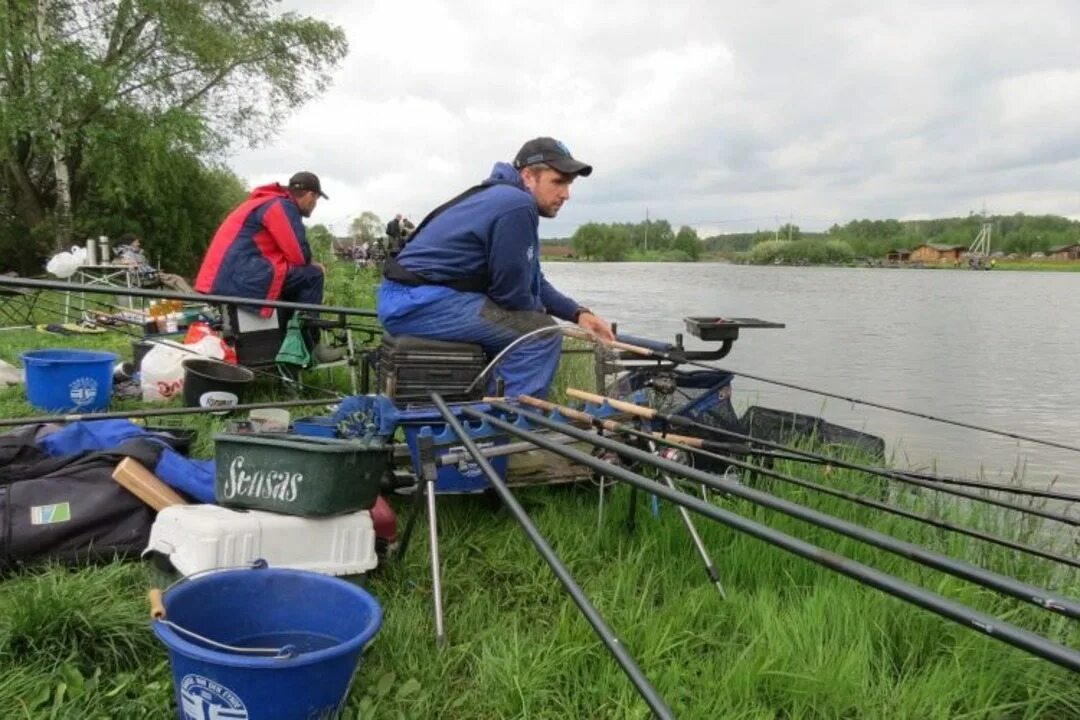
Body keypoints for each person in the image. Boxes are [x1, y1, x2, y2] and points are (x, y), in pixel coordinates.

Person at [377, 137, 614, 399]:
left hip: (408, 298)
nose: (565, 194)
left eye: (569, 184)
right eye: (558, 182)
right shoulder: (517, 205)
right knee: (542, 335)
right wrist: (541, 317)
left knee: (531, 324)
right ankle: (506, 429)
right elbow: (512, 296)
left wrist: (578, 314)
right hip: (420, 303)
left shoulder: (502, 197)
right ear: (528, 176)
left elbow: (532, 279)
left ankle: (480, 410)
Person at [195, 171, 344, 363]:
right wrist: (314, 264)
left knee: (301, 277)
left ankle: (289, 339)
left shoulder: (267, 201)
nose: (314, 205)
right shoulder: (281, 206)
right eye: (315, 200)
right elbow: (299, 254)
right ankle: (309, 347)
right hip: (242, 274)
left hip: (226, 275)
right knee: (313, 275)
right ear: (311, 195)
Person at [115, 233, 194, 292]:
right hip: (145, 278)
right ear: (131, 243)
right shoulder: (127, 255)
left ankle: (188, 298)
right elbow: (137, 270)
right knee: (176, 279)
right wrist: (154, 273)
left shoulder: (135, 253)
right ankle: (194, 298)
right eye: (137, 242)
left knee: (174, 280)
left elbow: (143, 267)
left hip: (148, 275)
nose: (139, 244)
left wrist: (155, 271)